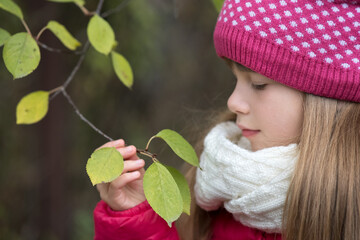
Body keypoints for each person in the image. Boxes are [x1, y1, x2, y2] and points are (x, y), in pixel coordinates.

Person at [93, 0, 360, 238]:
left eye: (257, 83)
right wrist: (135, 222)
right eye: (235, 79)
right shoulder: (217, 189)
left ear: (326, 99)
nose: (233, 102)